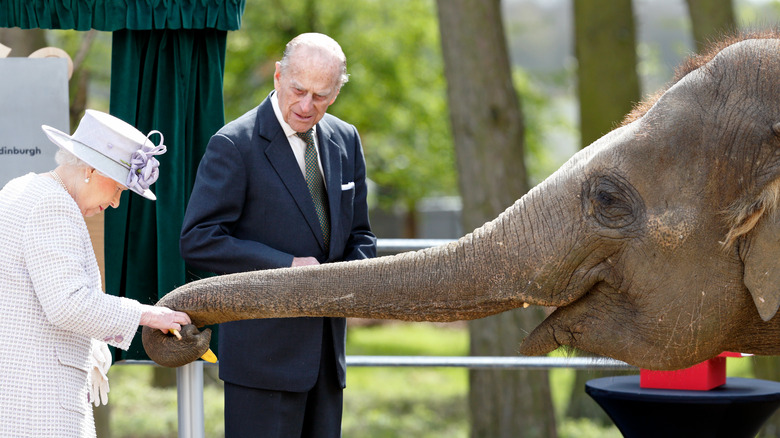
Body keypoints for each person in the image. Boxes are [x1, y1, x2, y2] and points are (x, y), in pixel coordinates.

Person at [180, 33, 377, 437]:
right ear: (277, 76)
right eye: (298, 90)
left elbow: (360, 236)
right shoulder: (233, 144)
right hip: (260, 364)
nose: (306, 106)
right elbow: (199, 240)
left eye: (320, 96)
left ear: (336, 93)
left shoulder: (346, 139)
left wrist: (357, 279)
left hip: (326, 362)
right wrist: (287, 266)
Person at [0, 109, 192, 437]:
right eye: (118, 188)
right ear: (90, 169)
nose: (117, 202)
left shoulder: (20, 189)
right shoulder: (53, 204)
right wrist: (149, 315)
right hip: (39, 406)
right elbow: (68, 304)